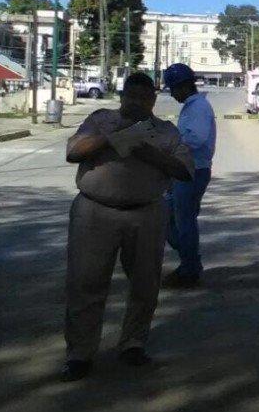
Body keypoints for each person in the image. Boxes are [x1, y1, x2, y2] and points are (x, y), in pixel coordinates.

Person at [62, 72, 193, 382]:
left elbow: (185, 170)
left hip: (146, 213)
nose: (137, 102)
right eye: (131, 96)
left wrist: (147, 152)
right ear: (121, 97)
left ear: (153, 100)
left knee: (145, 284)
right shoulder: (100, 120)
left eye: (144, 97)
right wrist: (110, 139)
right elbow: (73, 152)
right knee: (86, 283)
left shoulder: (165, 131)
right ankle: (80, 353)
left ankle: (133, 343)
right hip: (94, 212)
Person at [161, 63, 217, 288]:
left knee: (183, 222)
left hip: (193, 170)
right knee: (168, 217)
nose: (172, 94)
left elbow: (197, 138)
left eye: (173, 89)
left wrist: (171, 144)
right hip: (184, 169)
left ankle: (189, 269)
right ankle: (190, 260)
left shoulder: (198, 108)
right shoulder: (192, 106)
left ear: (184, 86)